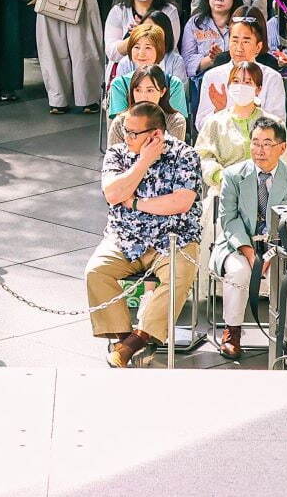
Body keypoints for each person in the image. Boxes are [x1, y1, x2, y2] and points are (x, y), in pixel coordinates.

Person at [85, 102, 202, 367]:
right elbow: (113, 194)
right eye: (126, 130)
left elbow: (180, 202)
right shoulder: (117, 153)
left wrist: (136, 203)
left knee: (177, 277)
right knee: (96, 272)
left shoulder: (185, 155)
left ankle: (136, 341)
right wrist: (144, 161)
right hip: (125, 237)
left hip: (174, 238)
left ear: (156, 135)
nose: (126, 137)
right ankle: (128, 340)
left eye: (133, 133)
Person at [211, 115, 287, 358]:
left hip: (278, 247)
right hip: (238, 244)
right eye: (255, 142)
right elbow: (228, 219)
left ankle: (282, 333)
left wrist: (274, 252)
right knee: (239, 271)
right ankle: (232, 332)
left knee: (285, 275)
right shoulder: (233, 175)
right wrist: (250, 253)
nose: (259, 150)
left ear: (282, 148)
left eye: (266, 143)